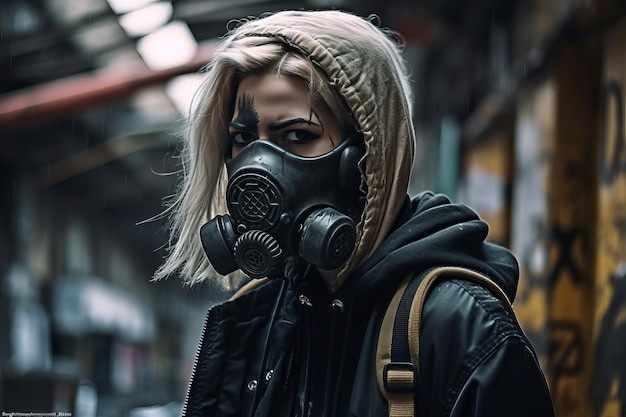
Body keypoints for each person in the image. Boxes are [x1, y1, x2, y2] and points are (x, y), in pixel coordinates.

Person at [154, 9, 555, 417]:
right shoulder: (262, 317)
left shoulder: (463, 330)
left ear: (367, 157)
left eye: (297, 135)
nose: (257, 167)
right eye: (242, 138)